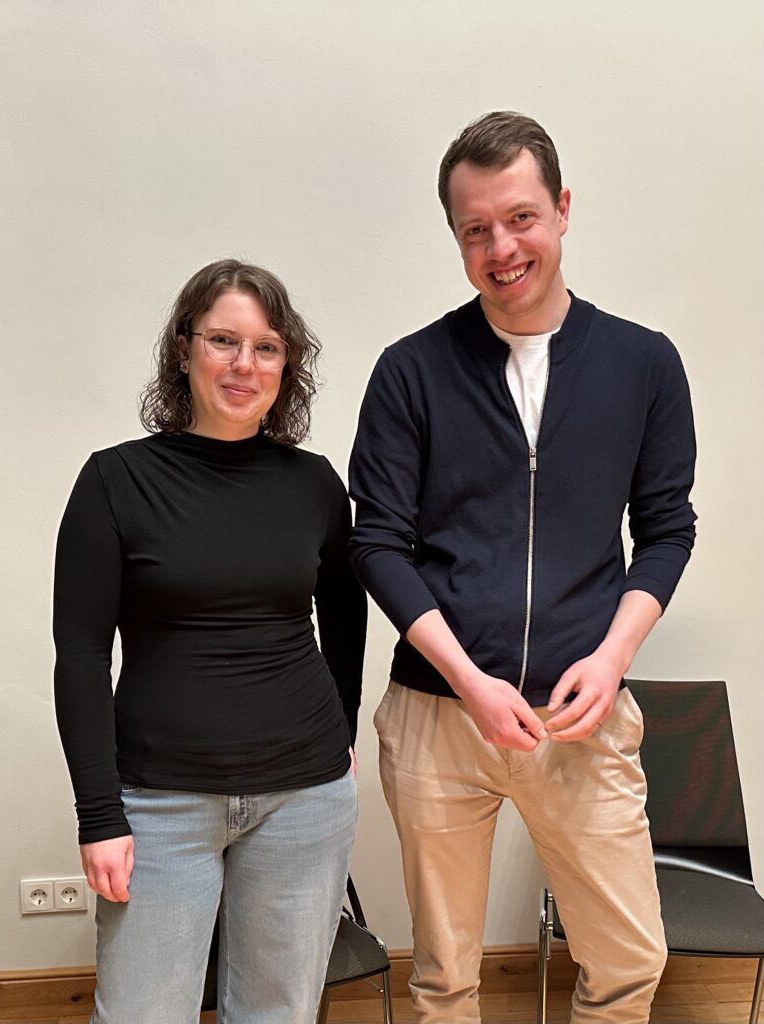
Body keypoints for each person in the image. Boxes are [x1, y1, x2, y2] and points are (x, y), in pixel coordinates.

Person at [349, 112, 696, 1023]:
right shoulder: (410, 371)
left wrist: (613, 657)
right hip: (438, 714)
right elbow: (377, 541)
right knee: (444, 978)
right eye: (476, 229)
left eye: (520, 218)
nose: (501, 248)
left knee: (629, 962)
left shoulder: (644, 364)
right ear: (456, 236)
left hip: (581, 715)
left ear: (562, 209)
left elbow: (666, 530)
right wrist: (468, 680)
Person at [54, 259, 366, 1024]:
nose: (243, 363)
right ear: (184, 348)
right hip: (160, 801)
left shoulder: (315, 484)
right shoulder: (115, 482)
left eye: (266, 347)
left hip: (304, 797)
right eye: (224, 340)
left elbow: (345, 615)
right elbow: (83, 657)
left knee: (278, 1012)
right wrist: (99, 813)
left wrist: (343, 728)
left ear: (287, 365)